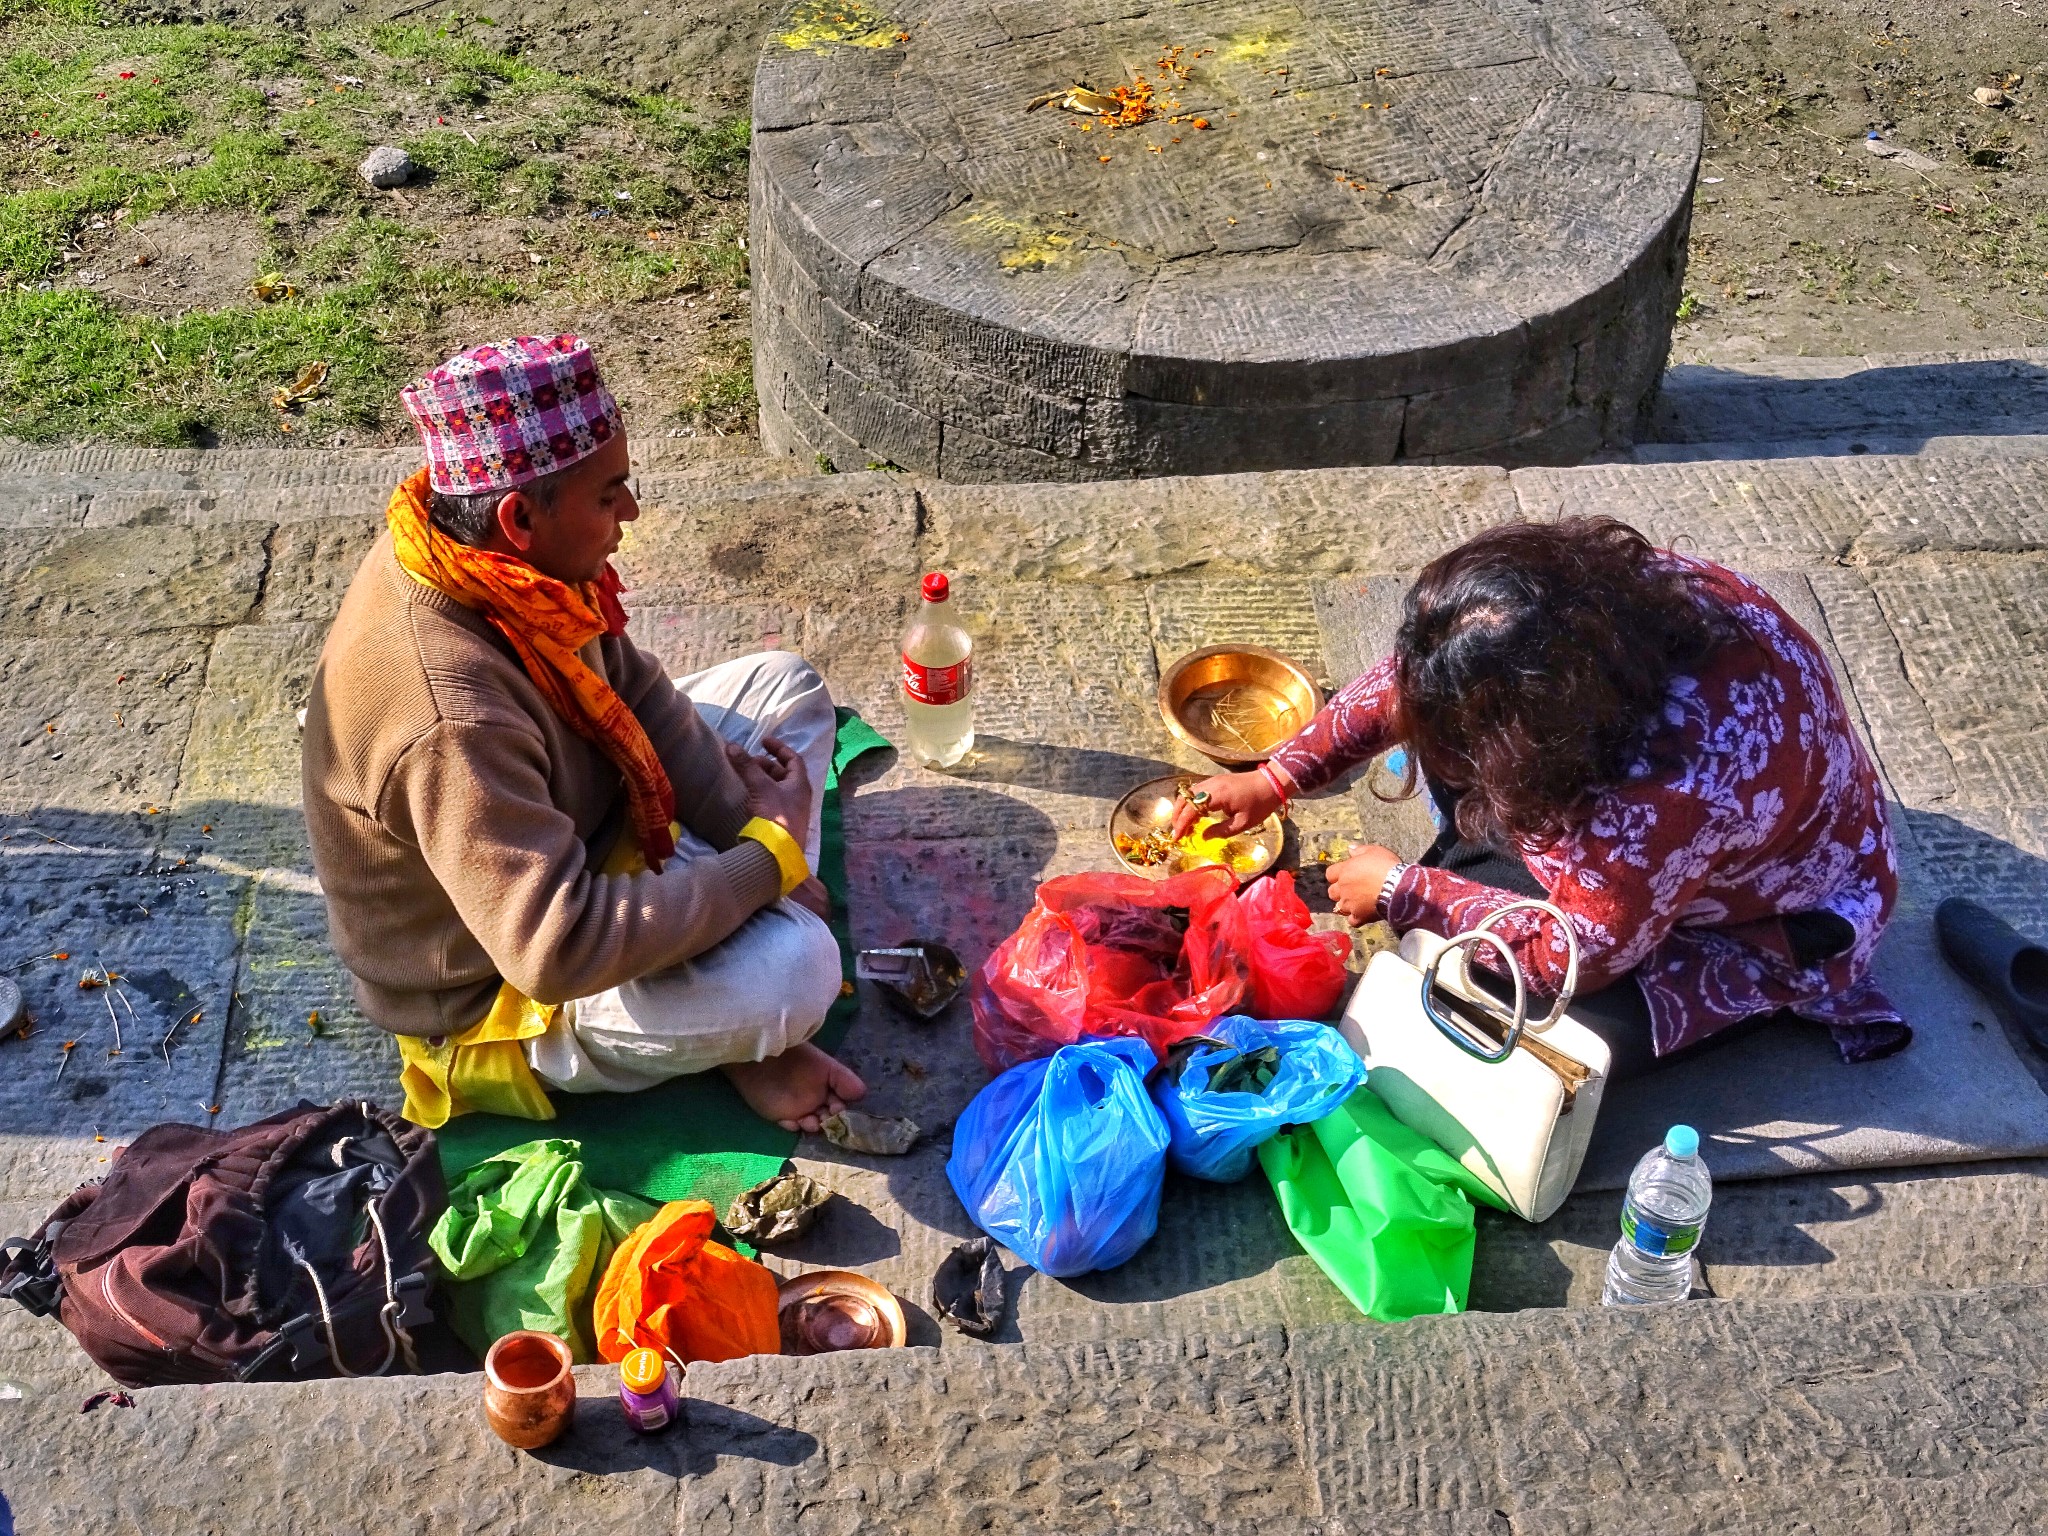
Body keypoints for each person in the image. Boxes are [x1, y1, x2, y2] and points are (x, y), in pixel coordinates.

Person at [301, 335, 866, 1131]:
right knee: (797, 973)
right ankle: (736, 1009)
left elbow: (626, 683)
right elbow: (556, 948)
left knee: (788, 687)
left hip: (579, 824)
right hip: (506, 990)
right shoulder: (447, 717)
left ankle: (716, 947)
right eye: (610, 496)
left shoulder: (487, 555)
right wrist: (764, 863)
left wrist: (743, 825)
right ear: (519, 517)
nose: (629, 513)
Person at [1178, 517, 1905, 1079]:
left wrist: (1407, 890)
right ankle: (1489, 868)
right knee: (1451, 729)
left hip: (1758, 910)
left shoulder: (1668, 793)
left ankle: (1762, 997)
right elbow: (1422, 673)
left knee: (1510, 1017)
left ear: (1540, 732)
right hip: (1649, 838)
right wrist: (1278, 776)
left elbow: (1585, 954)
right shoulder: (1619, 599)